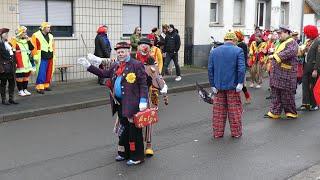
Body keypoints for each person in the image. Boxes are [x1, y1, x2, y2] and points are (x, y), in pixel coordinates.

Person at [78, 41, 148, 166]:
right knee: (124, 129)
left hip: (133, 103)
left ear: (128, 51)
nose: (120, 54)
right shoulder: (116, 65)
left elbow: (143, 84)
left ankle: (137, 156)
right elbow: (104, 74)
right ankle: (124, 153)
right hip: (120, 103)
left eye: (122, 52)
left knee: (134, 132)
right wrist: (88, 66)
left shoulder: (136, 65)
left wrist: (143, 100)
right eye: (118, 52)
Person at [208, 31, 245, 138]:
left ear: (225, 40)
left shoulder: (214, 51)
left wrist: (212, 85)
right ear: (234, 41)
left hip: (218, 86)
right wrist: (240, 83)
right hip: (233, 86)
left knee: (218, 112)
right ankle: (236, 133)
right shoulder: (239, 51)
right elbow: (241, 69)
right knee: (234, 111)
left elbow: (210, 69)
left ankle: (218, 133)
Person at [136, 38, 168, 156]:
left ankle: (148, 145)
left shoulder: (151, 61)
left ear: (150, 48)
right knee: (127, 120)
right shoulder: (131, 59)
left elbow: (157, 76)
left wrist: (163, 87)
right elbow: (117, 63)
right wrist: (99, 61)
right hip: (131, 94)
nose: (144, 48)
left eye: (146, 46)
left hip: (145, 94)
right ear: (138, 48)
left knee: (147, 120)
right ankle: (129, 144)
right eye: (142, 45)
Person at [264, 25, 299, 119]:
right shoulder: (280, 42)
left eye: (281, 33)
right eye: (278, 33)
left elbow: (289, 52)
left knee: (287, 95)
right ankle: (274, 112)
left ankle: (291, 112)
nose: (279, 35)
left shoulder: (292, 42)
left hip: (287, 73)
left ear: (287, 33)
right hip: (277, 73)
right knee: (276, 94)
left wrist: (276, 56)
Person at [297, 25, 320, 111]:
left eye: (307, 33)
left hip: (313, 68)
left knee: (312, 87)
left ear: (311, 33)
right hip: (306, 66)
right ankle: (305, 104)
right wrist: (305, 50)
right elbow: (308, 53)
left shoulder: (318, 41)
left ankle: (314, 104)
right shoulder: (311, 41)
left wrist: (315, 69)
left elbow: (318, 57)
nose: (306, 35)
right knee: (305, 86)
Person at [31, 22, 55, 94]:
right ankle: (39, 87)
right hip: (41, 56)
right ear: (43, 28)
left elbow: (53, 46)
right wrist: (35, 55)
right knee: (41, 72)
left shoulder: (51, 36)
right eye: (47, 27)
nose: (49, 28)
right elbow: (33, 46)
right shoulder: (36, 35)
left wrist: (54, 55)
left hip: (50, 55)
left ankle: (46, 85)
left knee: (49, 71)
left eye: (49, 27)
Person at [10, 26, 34, 96]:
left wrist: (28, 40)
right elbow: (12, 51)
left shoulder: (27, 40)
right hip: (19, 61)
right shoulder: (14, 40)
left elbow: (32, 48)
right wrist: (14, 62)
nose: (25, 33)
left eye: (25, 32)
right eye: (24, 32)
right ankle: (20, 90)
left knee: (26, 76)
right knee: (19, 76)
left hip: (26, 60)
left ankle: (25, 89)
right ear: (20, 33)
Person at [0, 28, 18, 105]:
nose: (7, 35)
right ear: (1, 35)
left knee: (12, 84)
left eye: (7, 33)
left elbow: (13, 55)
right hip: (4, 67)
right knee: (3, 84)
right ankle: (4, 100)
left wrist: (16, 63)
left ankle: (11, 99)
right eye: (5, 34)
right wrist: (1, 68)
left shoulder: (9, 44)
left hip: (11, 67)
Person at [235, 30, 251, 103]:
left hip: (241, 66)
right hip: (235, 66)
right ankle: (246, 97)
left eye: (235, 36)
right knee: (237, 83)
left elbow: (243, 57)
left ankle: (247, 97)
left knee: (241, 83)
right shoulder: (236, 44)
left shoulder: (242, 45)